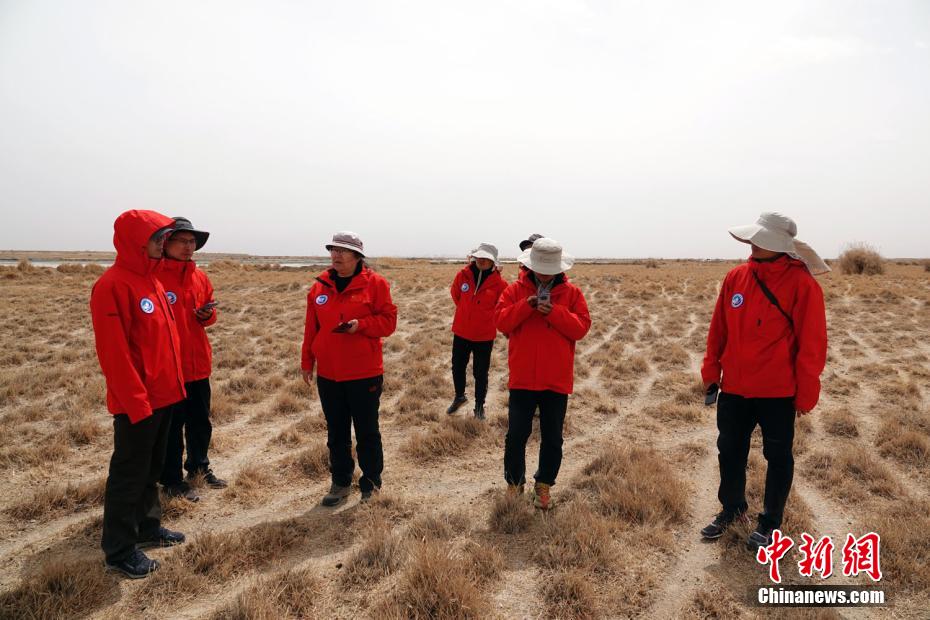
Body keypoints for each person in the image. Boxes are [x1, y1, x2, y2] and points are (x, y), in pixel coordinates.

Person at [699, 212, 828, 549]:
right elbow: (718, 329)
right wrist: (711, 372)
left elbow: (812, 345)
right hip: (735, 388)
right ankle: (732, 509)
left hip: (778, 392)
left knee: (779, 457)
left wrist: (806, 393)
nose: (753, 243)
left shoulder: (803, 285)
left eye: (760, 238)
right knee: (729, 451)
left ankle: (770, 523)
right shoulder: (736, 277)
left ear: (778, 243)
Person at [90, 210, 187, 579]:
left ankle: (147, 527)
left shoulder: (152, 280)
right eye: (157, 238)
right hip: (138, 402)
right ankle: (119, 550)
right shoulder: (112, 285)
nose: (164, 244)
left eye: (165, 238)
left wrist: (173, 388)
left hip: (164, 396)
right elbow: (114, 355)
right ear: (136, 241)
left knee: (151, 470)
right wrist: (136, 402)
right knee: (128, 475)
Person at [301, 232, 397, 506]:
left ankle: (371, 483)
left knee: (367, 431)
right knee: (336, 432)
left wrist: (361, 325)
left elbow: (388, 322)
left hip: (364, 373)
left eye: (343, 251)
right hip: (329, 374)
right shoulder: (319, 287)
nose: (336, 255)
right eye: (333, 250)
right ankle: (340, 482)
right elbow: (311, 328)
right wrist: (307, 361)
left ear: (357, 256)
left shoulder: (375, 284)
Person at [495, 238, 591, 510]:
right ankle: (514, 484)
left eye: (550, 269)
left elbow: (581, 328)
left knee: (552, 437)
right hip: (523, 377)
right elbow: (500, 321)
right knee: (516, 435)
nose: (545, 274)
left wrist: (555, 313)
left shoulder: (572, 294)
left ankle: (544, 485)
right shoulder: (514, 290)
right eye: (541, 268)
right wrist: (526, 306)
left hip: (555, 379)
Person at [156, 217, 226, 502]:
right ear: (165, 243)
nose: (188, 247)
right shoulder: (154, 276)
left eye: (192, 241)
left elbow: (210, 315)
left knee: (200, 422)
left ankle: (199, 468)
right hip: (169, 367)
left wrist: (207, 315)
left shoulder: (200, 276)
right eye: (182, 241)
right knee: (172, 427)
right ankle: (171, 480)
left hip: (198, 363)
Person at [447, 243, 508, 419]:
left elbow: (500, 307)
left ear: (493, 262)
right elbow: (456, 295)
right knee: (457, 366)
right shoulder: (463, 275)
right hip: (461, 331)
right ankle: (459, 396)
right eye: (480, 257)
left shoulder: (500, 284)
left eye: (486, 258)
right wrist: (467, 312)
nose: (482, 260)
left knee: (480, 373)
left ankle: (479, 407)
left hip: (484, 336)